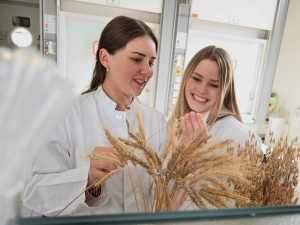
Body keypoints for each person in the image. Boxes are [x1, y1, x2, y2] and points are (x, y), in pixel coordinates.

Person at [22, 16, 169, 216]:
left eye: (151, 62)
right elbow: (34, 192)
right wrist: (88, 178)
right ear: (105, 57)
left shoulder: (157, 121)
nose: (147, 71)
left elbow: (165, 192)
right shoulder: (65, 113)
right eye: (136, 59)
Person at [170, 45, 262, 156]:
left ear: (225, 90)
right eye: (196, 79)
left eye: (214, 85)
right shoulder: (175, 120)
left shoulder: (242, 138)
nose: (202, 90)